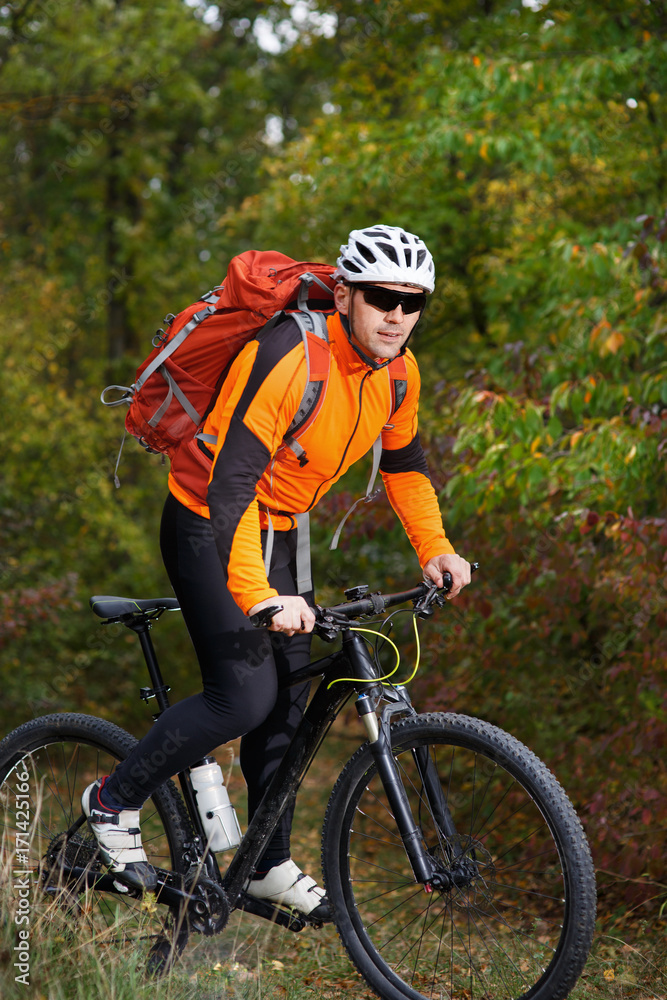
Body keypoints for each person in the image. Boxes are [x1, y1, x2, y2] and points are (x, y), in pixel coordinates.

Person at [82, 224, 472, 916]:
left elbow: (406, 469)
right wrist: (259, 595)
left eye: (414, 303)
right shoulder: (291, 354)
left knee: (288, 697)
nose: (397, 316)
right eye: (382, 297)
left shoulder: (398, 372)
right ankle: (111, 801)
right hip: (209, 517)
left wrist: (434, 548)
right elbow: (230, 484)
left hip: (281, 529)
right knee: (243, 698)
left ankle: (265, 863)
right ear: (346, 294)